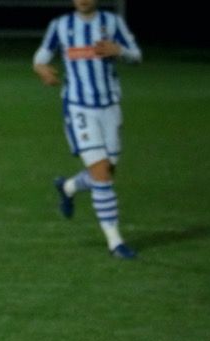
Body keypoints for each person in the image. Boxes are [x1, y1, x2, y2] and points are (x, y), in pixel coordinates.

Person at [33, 0, 142, 260]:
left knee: (107, 170)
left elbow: (136, 56)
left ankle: (68, 187)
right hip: (78, 108)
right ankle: (115, 242)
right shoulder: (60, 25)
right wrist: (42, 69)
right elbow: (40, 57)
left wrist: (119, 50)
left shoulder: (112, 22)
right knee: (102, 174)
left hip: (110, 107)